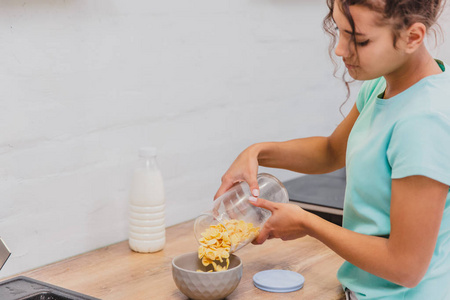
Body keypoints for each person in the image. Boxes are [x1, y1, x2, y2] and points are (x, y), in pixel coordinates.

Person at [214, 0, 450, 299]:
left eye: (360, 40)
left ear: (412, 37)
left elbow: (405, 266)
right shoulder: (382, 84)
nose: (340, 49)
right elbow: (331, 152)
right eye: (339, 32)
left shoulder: (425, 122)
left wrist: (307, 222)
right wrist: (257, 152)